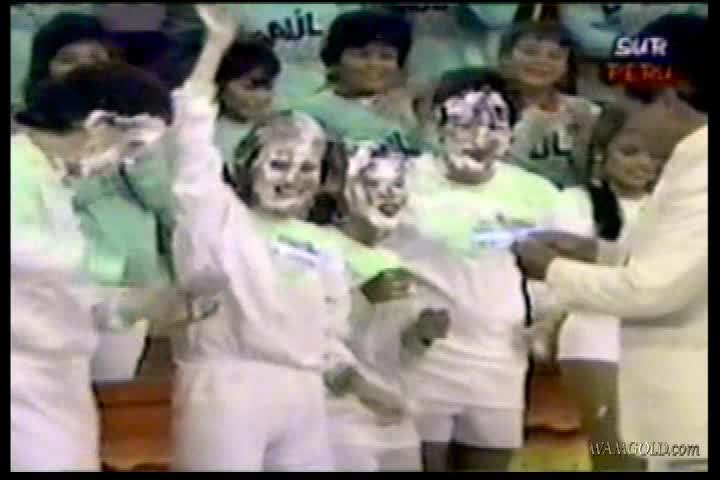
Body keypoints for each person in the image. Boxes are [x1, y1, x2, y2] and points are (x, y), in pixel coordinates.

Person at [513, 14, 708, 472]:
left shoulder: (701, 170)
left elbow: (652, 290)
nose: (625, 115)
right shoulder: (689, 161)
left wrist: (551, 270)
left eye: (630, 100)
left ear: (668, 97)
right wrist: (598, 253)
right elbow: (689, 266)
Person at [167, 16, 341, 464]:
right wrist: (216, 46)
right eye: (279, 163)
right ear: (248, 162)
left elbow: (332, 332)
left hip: (306, 391)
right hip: (227, 386)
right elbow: (190, 130)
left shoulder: (324, 243)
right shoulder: (217, 214)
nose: (293, 178)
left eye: (308, 168)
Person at [11, 62, 176, 471]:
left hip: (56, 376)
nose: (125, 164)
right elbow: (30, 265)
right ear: (98, 125)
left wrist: (132, 305)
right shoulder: (17, 169)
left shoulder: (52, 180)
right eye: (131, 147)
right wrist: (114, 288)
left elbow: (60, 289)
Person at [406, 68, 561, 471]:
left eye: (494, 122)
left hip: (501, 356)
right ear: (434, 120)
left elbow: (553, 275)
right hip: (421, 357)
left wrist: (547, 321)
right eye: (463, 121)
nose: (478, 135)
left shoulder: (537, 192)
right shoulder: (401, 181)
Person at [303, 139, 452, 472]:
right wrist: (359, 299)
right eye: (374, 183)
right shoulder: (319, 248)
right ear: (344, 189)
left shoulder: (393, 258)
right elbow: (308, 337)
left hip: (396, 419)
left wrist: (422, 335)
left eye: (397, 184)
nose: (389, 195)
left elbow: (395, 354)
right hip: (340, 419)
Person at [546, 106, 668, 471]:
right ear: (602, 153)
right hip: (597, 334)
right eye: (630, 152)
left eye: (655, 155)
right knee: (618, 456)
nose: (643, 164)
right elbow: (566, 265)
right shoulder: (574, 202)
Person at [293, 9, 420, 151]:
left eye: (386, 56)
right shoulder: (307, 113)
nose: (374, 64)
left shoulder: (413, 112)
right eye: (362, 55)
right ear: (335, 59)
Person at [499, 21, 600, 189]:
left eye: (555, 56)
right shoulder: (485, 107)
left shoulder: (583, 111)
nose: (541, 61)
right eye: (530, 52)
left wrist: (585, 137)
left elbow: (593, 174)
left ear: (567, 67)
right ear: (506, 58)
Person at [214, 38, 281, 163]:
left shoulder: (283, 132)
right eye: (250, 87)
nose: (262, 96)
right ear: (221, 85)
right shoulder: (200, 134)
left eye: (268, 87)